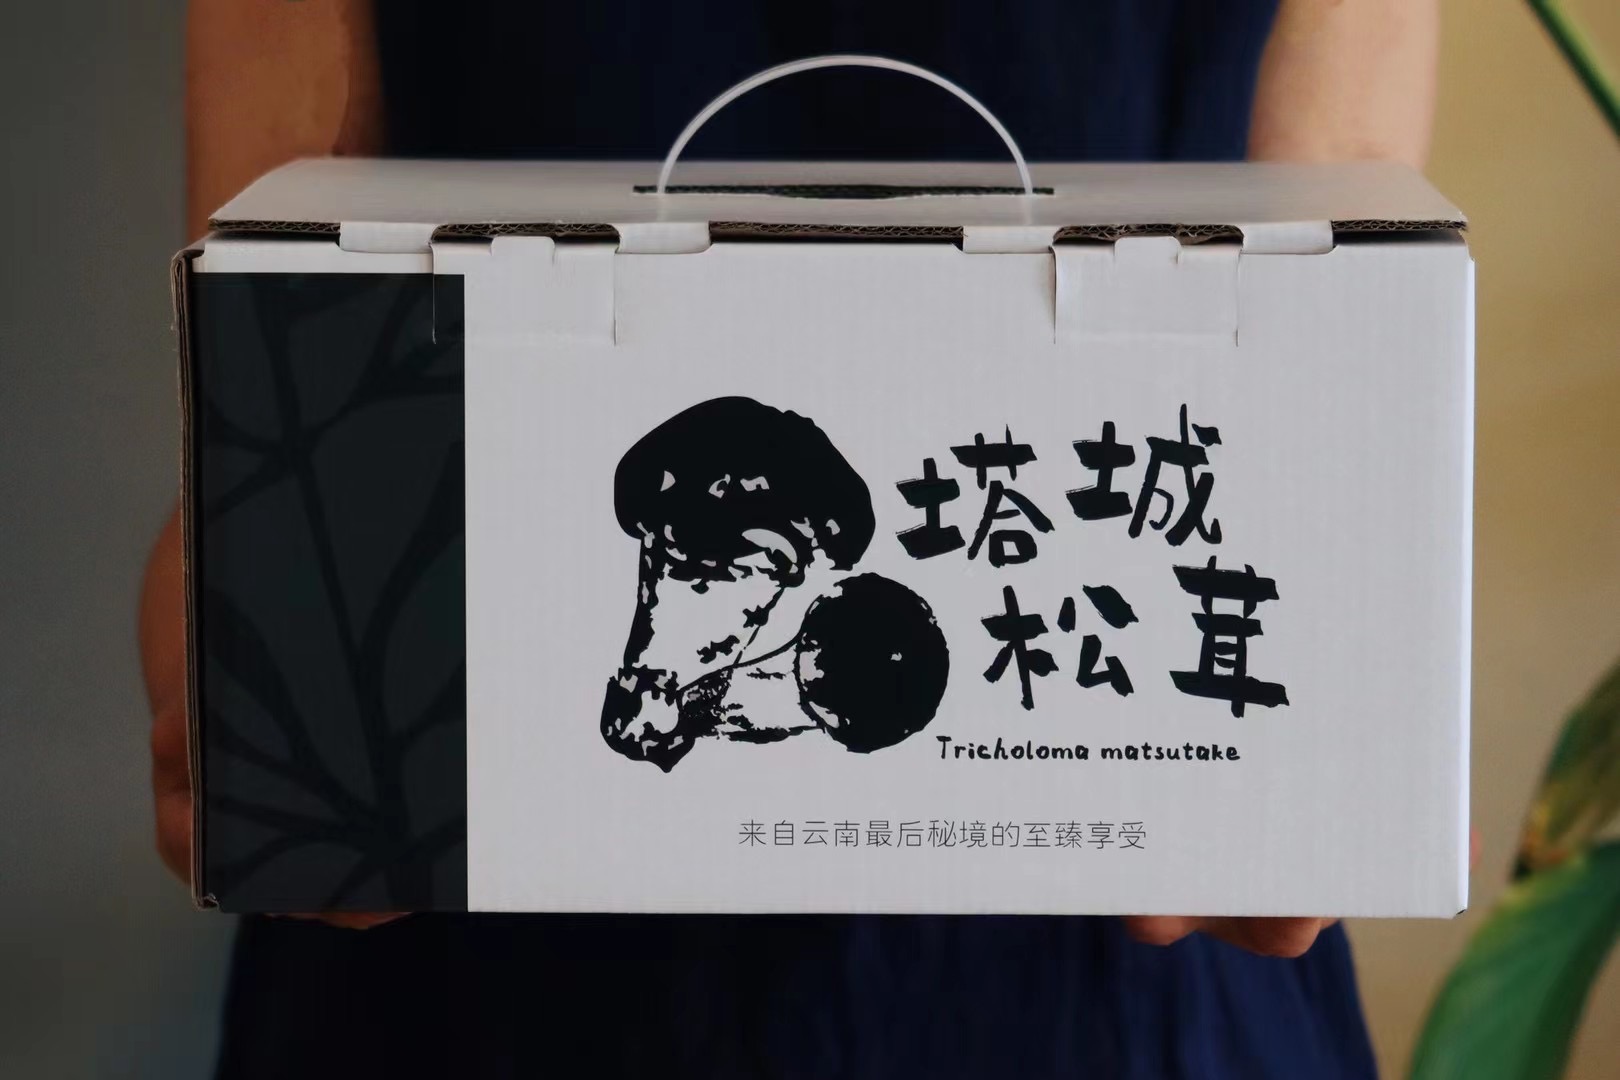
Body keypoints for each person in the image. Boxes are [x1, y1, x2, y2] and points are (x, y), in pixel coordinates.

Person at [143, 2, 1439, 1076]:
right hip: (467, 910)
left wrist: (1347, 682)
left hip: (1123, 915)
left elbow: (1345, 270)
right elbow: (275, 280)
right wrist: (239, 607)